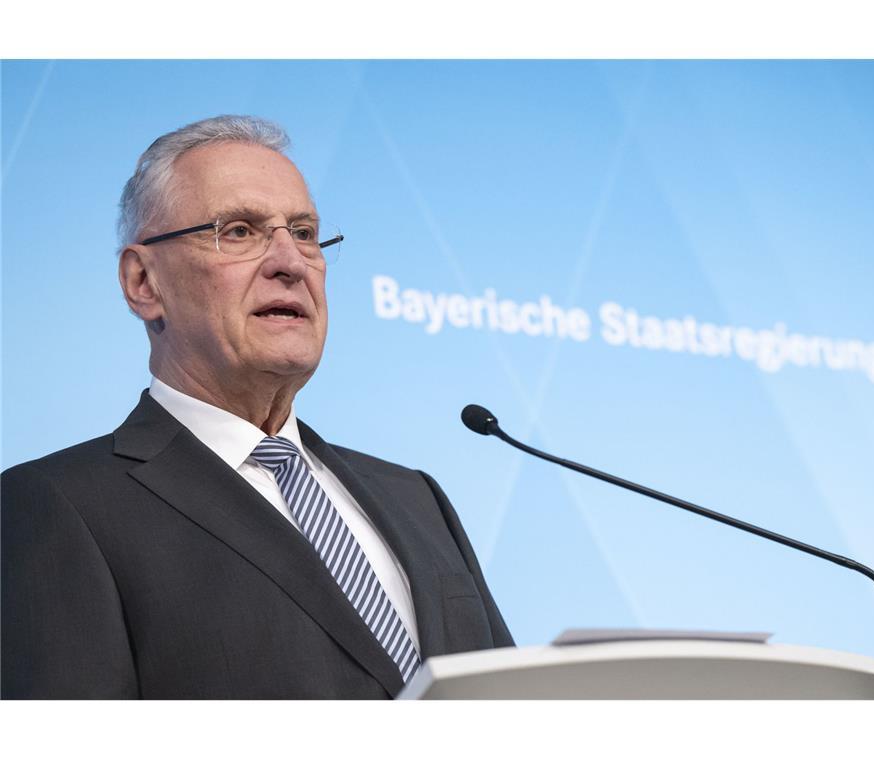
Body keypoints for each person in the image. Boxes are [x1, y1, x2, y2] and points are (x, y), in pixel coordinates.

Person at [1, 115, 513, 699]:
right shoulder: (57, 506)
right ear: (144, 282)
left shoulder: (416, 497)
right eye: (240, 231)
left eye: (304, 233)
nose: (290, 262)